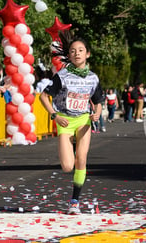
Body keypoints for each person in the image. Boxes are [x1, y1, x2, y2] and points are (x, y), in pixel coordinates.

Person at [40, 33, 103, 214]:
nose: (77, 54)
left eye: (80, 50)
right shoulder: (63, 75)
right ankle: (69, 151)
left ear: (87, 54)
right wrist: (54, 116)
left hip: (83, 120)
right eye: (73, 51)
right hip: (65, 120)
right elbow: (44, 96)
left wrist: (97, 114)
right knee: (68, 166)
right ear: (69, 55)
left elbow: (97, 102)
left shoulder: (93, 78)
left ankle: (74, 201)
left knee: (81, 159)